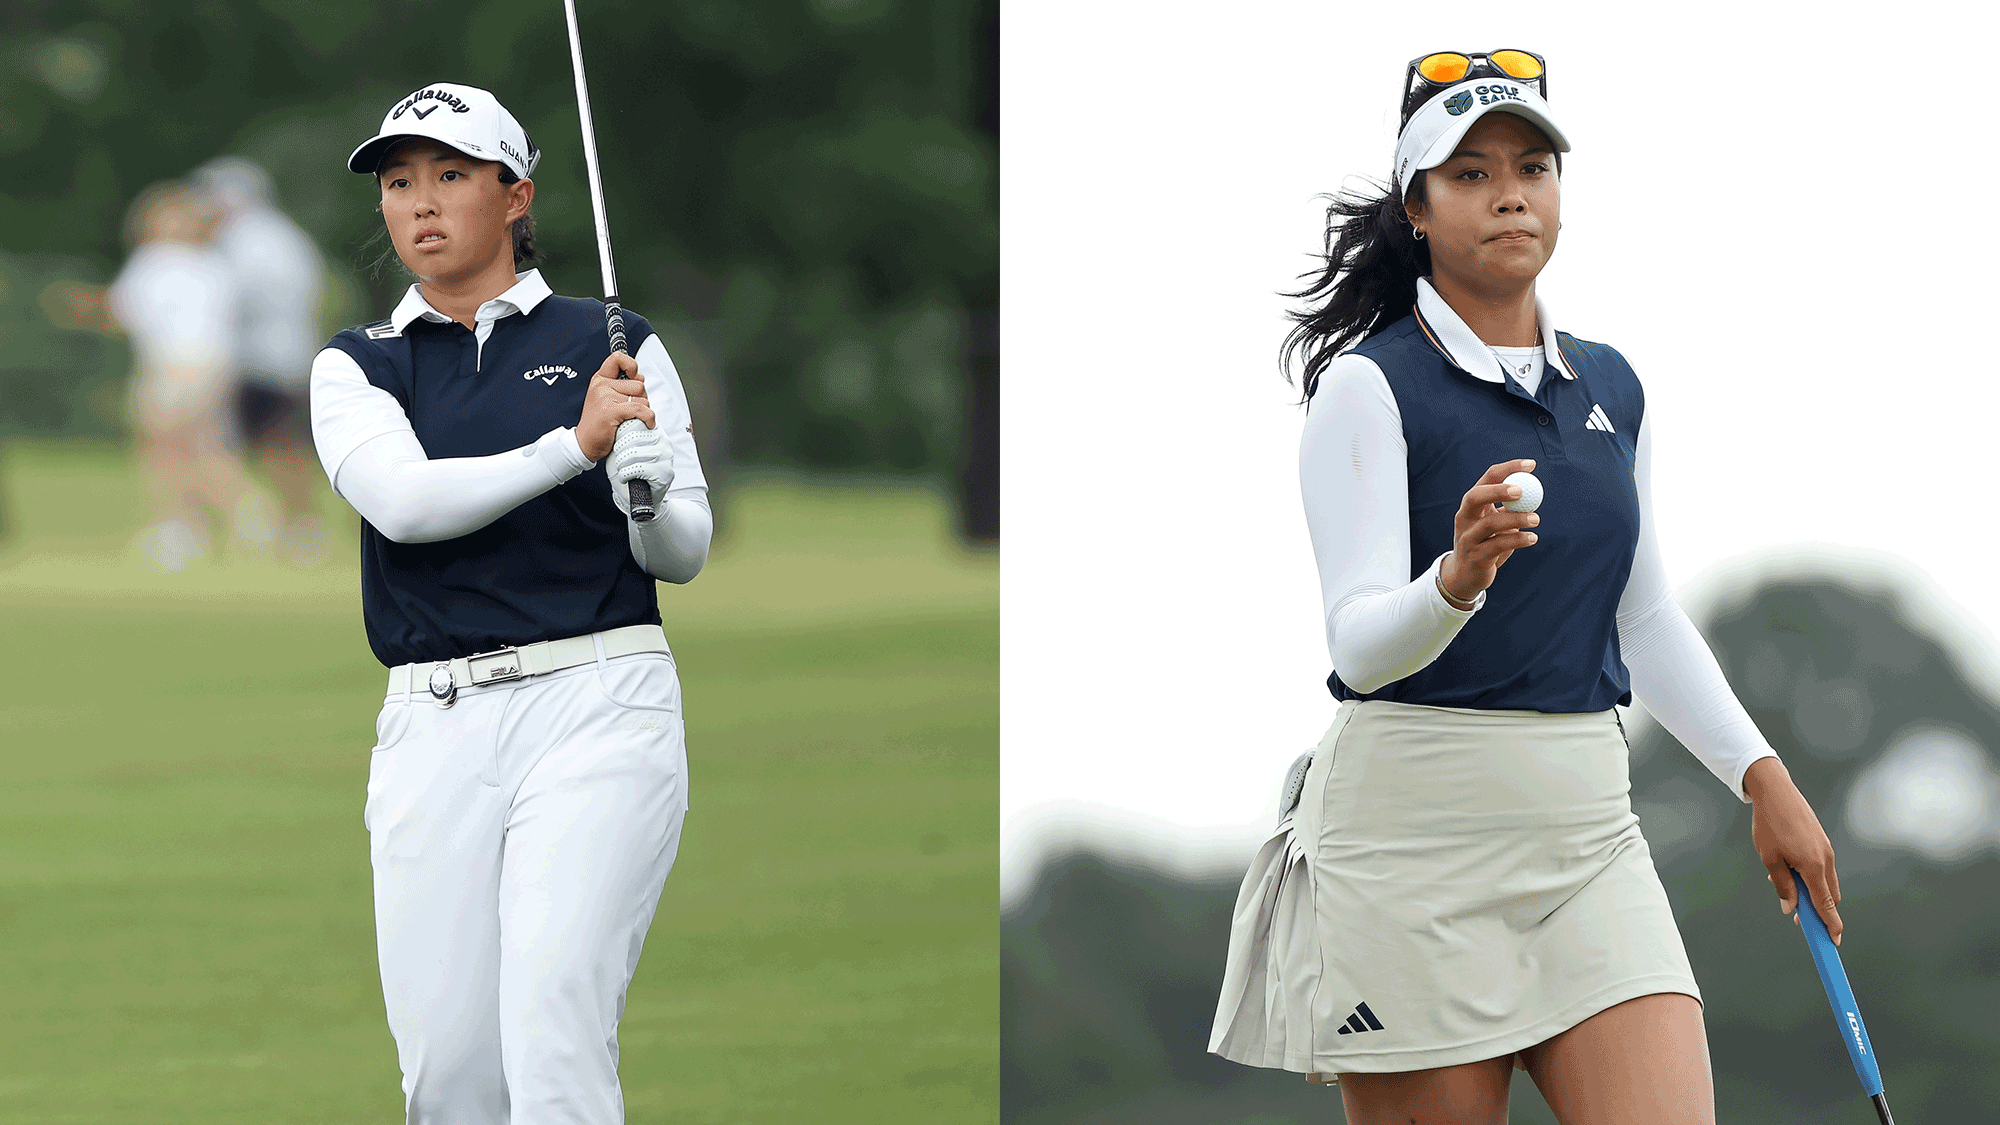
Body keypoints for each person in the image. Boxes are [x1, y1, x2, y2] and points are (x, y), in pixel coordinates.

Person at [1206, 52, 1846, 1124]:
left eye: (1531, 167)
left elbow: (1638, 614)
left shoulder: (1610, 384)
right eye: (1467, 174)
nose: (1508, 192)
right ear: (1415, 207)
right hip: (1411, 847)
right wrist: (1453, 580)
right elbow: (1357, 648)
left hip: (1585, 834)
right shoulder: (1368, 390)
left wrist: (1760, 776)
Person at [309, 81, 711, 1122]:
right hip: (430, 720)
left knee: (552, 1025)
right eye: (399, 183)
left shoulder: (609, 337)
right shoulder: (359, 365)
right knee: (448, 1073)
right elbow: (404, 506)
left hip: (599, 703)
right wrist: (569, 448)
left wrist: (644, 487)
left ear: (516, 196)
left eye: (450, 175)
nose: (420, 202)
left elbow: (681, 553)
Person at [105, 181, 277, 571]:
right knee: (197, 447)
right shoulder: (187, 265)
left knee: (171, 446)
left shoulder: (182, 265)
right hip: (185, 365)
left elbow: (129, 314)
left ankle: (189, 526)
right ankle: (225, 521)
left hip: (188, 367)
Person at [193, 156, 331, 564]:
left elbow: (232, 299)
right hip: (277, 356)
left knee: (277, 444)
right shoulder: (280, 235)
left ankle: (293, 526)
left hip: (264, 359)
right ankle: (287, 526)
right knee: (268, 444)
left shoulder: (249, 239)